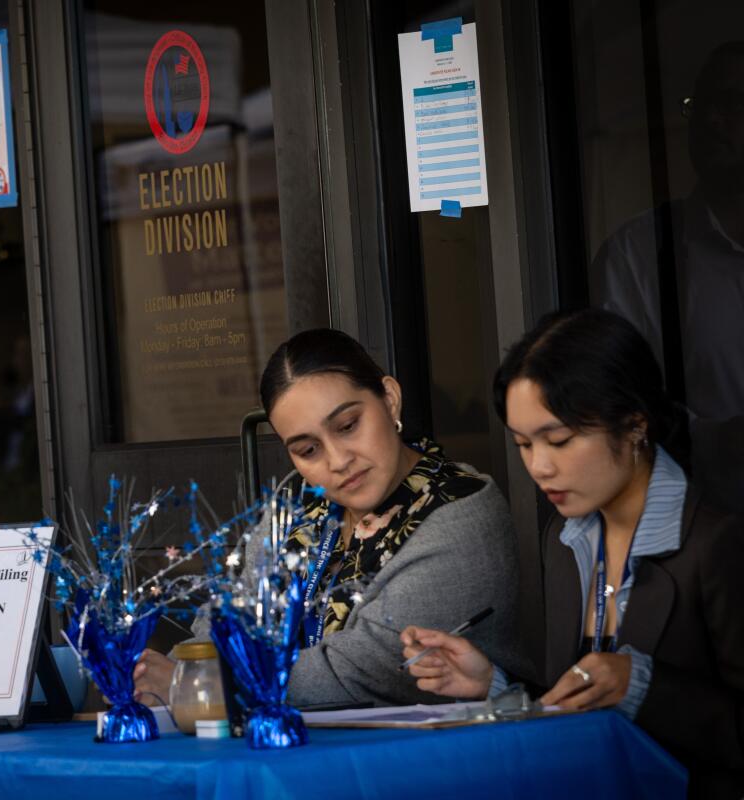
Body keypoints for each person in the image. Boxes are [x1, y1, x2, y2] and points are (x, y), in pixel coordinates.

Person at [401, 308, 744, 798]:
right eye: (523, 444)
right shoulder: (564, 542)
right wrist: (493, 685)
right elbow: (579, 716)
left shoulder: (718, 543)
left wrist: (645, 687)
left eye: (559, 441)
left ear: (633, 425)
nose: (539, 467)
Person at [133, 328, 522, 707]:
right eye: (307, 449)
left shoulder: (462, 512)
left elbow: (364, 667)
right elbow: (228, 619)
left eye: (348, 426)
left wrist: (197, 683)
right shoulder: (301, 502)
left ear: (389, 400)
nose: (338, 461)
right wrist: (167, 672)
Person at [591, 41, 744, 514]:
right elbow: (622, 405)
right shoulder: (639, 255)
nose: (712, 123)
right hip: (707, 530)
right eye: (701, 106)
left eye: (733, 103)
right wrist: (719, 438)